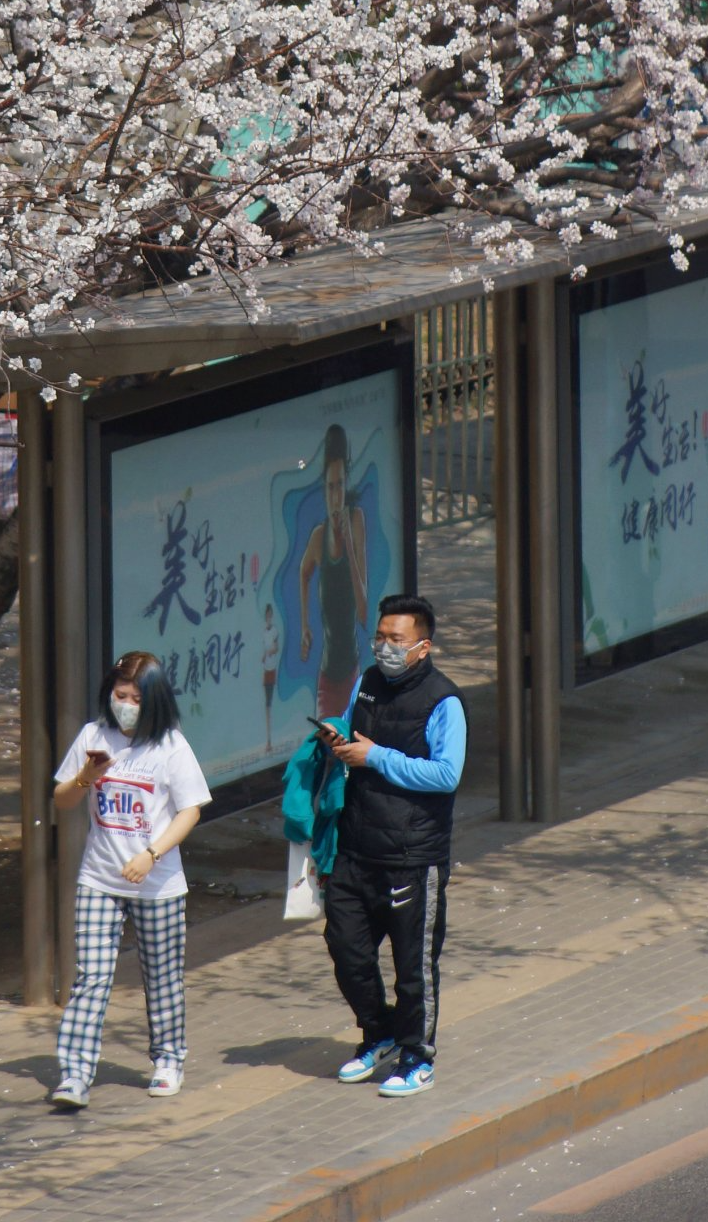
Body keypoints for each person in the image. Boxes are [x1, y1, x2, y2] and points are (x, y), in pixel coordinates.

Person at [318, 592, 466, 1101]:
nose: (384, 647)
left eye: (395, 639)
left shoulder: (443, 700)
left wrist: (375, 756)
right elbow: (354, 734)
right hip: (355, 848)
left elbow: (446, 774)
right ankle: (377, 1033)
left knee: (412, 967)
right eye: (380, 637)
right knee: (346, 949)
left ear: (422, 647)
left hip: (411, 855)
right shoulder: (367, 683)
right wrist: (335, 740)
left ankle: (415, 1055)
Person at [50, 650, 211, 1111]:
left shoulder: (170, 747)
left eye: (136, 698)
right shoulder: (93, 736)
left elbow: (191, 810)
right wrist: (85, 777)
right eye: (120, 696)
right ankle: (75, 1073)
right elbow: (61, 801)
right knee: (92, 977)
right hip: (99, 878)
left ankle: (168, 1059)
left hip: (157, 883)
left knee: (161, 977)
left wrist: (152, 853)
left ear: (154, 700)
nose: (125, 704)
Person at [298, 422, 369, 720]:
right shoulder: (317, 538)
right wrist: (305, 626)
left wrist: (350, 548)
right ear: (324, 490)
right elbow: (304, 574)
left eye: (340, 485)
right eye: (330, 487)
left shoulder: (355, 520)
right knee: (324, 755)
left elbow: (364, 612)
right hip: (327, 679)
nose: (336, 495)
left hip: (352, 675)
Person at [261, 601, 281, 751]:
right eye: (266, 615)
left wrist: (269, 652)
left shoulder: (274, 631)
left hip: (272, 669)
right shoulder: (264, 631)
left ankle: (271, 741)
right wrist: (264, 655)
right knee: (267, 705)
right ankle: (268, 740)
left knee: (270, 704)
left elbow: (276, 648)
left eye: (270, 615)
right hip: (266, 670)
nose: (268, 617)